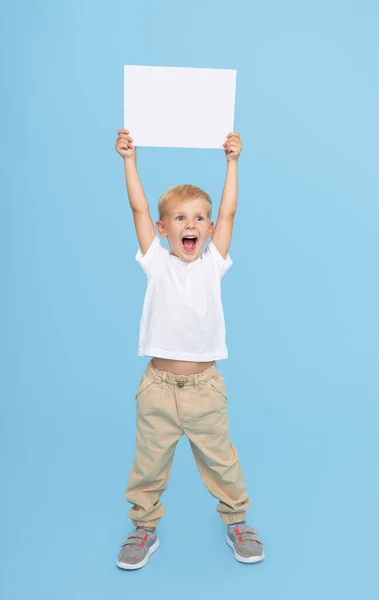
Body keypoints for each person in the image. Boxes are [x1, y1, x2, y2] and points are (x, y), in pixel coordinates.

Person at [114, 128, 264, 569]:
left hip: (204, 389)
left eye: (200, 218)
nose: (191, 225)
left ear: (210, 228)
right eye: (180, 219)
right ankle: (144, 527)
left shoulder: (212, 264)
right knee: (148, 465)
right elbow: (137, 207)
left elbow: (231, 211)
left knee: (221, 460)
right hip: (158, 388)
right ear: (163, 229)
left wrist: (232, 163)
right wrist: (129, 160)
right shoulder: (156, 262)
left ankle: (236, 520)